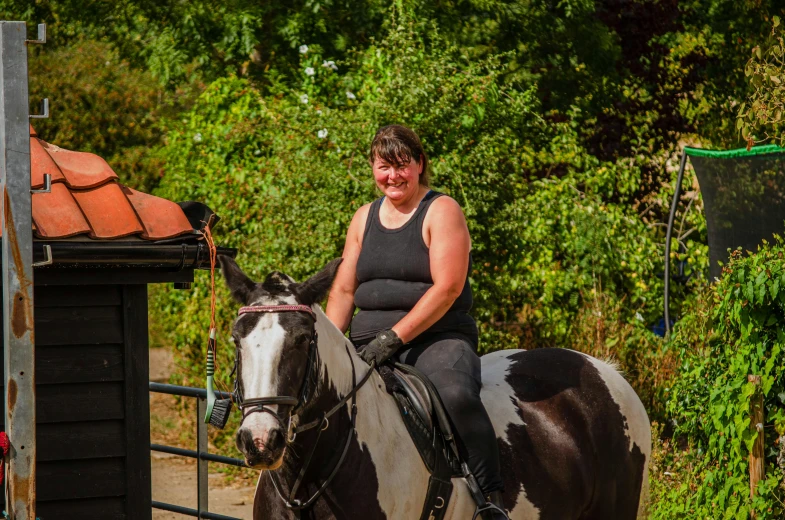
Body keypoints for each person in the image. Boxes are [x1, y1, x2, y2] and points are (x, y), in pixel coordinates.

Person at [326, 124, 507, 520]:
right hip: (367, 340)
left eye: (402, 166)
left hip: (436, 338)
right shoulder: (363, 218)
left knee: (457, 396)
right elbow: (342, 291)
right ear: (372, 168)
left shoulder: (441, 210)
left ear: (420, 164)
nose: (393, 176)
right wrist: (326, 343)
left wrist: (393, 339)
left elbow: (447, 288)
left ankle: (491, 497)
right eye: (383, 166)